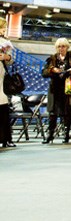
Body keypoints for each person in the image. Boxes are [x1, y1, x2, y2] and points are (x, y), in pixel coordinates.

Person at [41, 38, 71, 144]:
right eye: (59, 46)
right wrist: (52, 70)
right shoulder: (52, 58)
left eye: (63, 46)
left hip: (68, 89)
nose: (61, 48)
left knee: (67, 113)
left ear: (67, 47)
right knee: (53, 114)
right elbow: (44, 72)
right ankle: (50, 135)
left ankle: (66, 135)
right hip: (55, 89)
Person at [0, 18, 16, 148]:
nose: (4, 30)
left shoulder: (5, 42)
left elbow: (11, 60)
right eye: (2, 27)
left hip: (1, 78)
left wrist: (6, 57)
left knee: (4, 110)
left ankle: (7, 138)